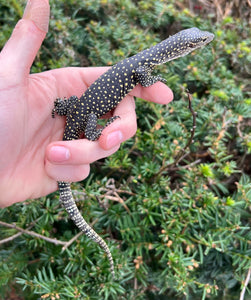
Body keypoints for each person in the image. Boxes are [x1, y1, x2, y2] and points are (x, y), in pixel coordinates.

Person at [0, 0, 173, 207]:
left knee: (78, 106)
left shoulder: (147, 59)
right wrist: (149, 82)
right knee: (91, 125)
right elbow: (141, 75)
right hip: (85, 114)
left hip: (78, 109)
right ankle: (90, 130)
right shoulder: (146, 62)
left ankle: (64, 109)